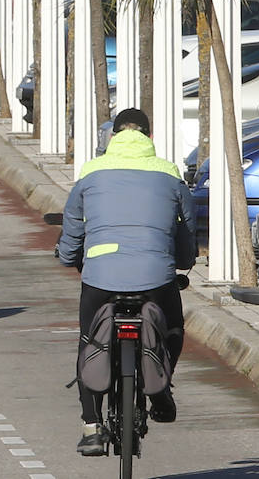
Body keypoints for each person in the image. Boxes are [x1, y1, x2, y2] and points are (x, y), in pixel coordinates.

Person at [57, 108, 196, 456]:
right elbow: (187, 230)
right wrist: (182, 261)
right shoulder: (169, 175)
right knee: (173, 328)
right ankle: (161, 390)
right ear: (150, 137)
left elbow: (74, 224)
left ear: (112, 137)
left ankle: (91, 425)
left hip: (101, 274)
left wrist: (69, 257)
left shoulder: (90, 174)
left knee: (89, 341)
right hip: (155, 274)